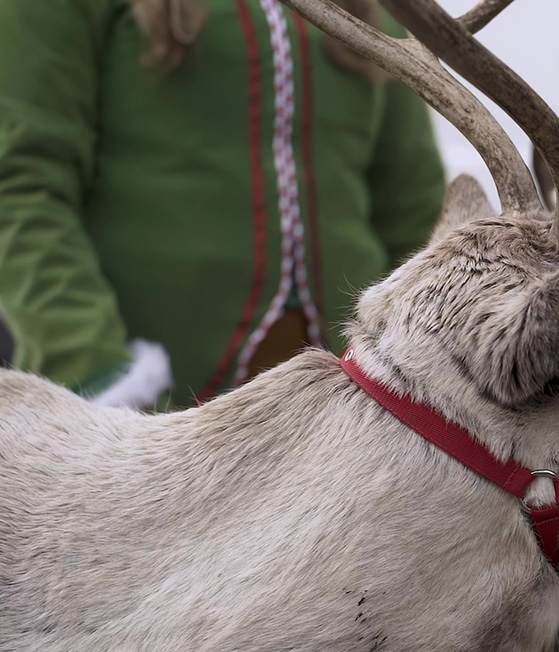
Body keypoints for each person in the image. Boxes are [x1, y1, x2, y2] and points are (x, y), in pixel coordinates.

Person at [0, 0, 446, 408]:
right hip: (148, 411)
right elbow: (21, 187)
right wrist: (93, 367)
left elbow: (415, 214)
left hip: (341, 416)